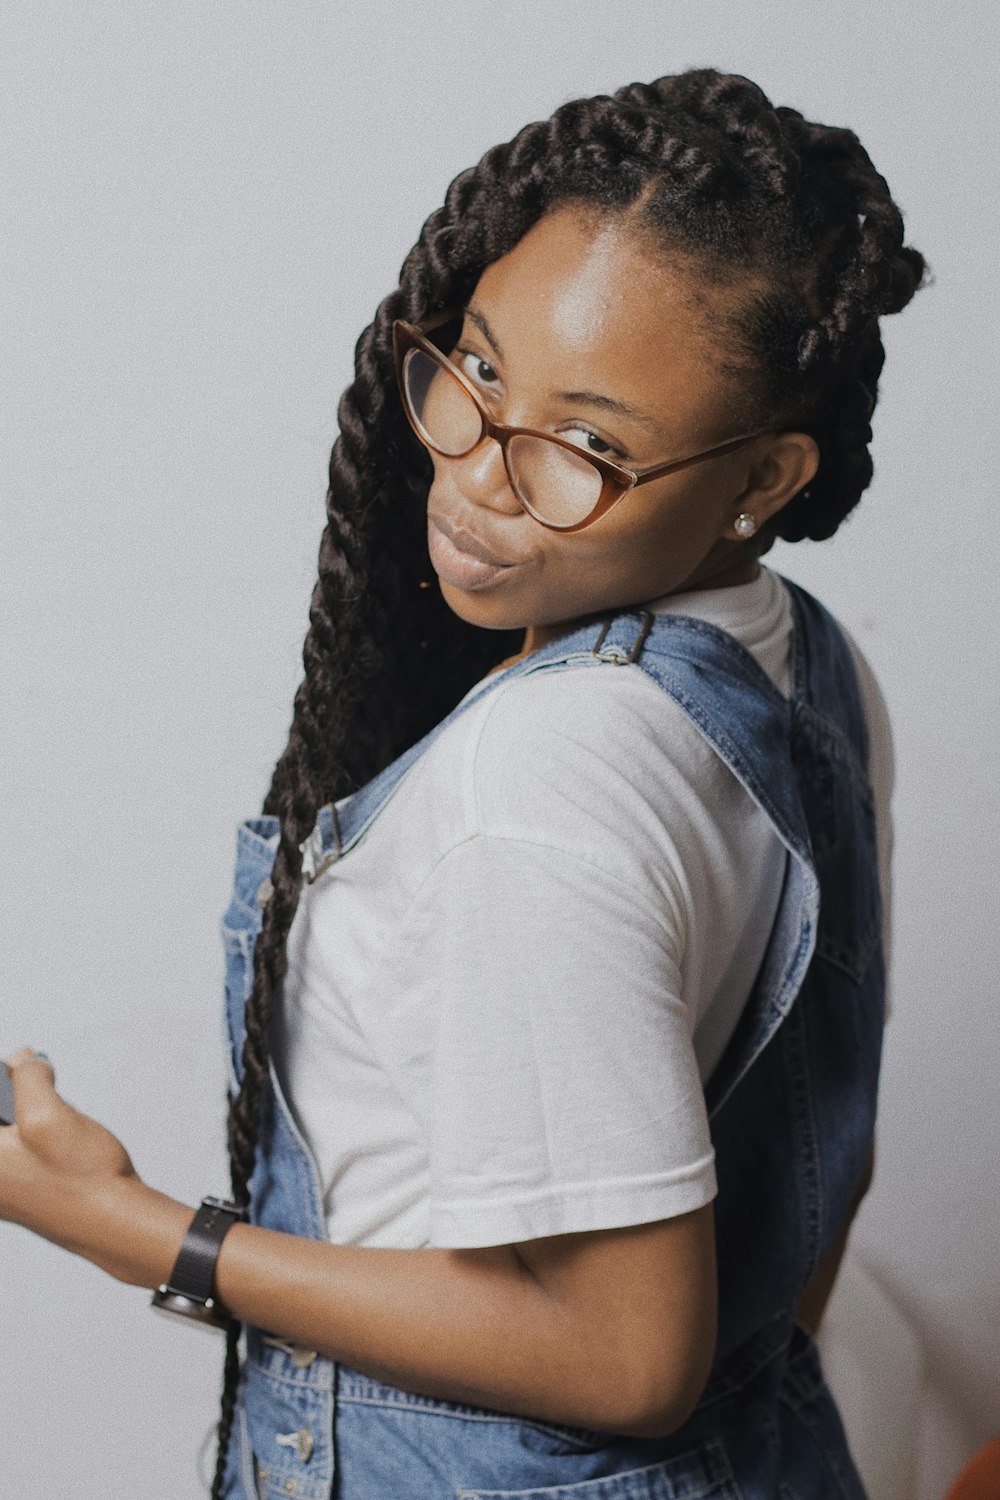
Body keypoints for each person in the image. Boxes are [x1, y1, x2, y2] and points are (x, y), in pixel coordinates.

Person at [0, 67, 924, 1499]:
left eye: (591, 446)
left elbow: (629, 1361)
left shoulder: (540, 779)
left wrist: (124, 1224)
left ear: (766, 476)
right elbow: (820, 1169)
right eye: (480, 371)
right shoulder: (806, 667)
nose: (482, 477)